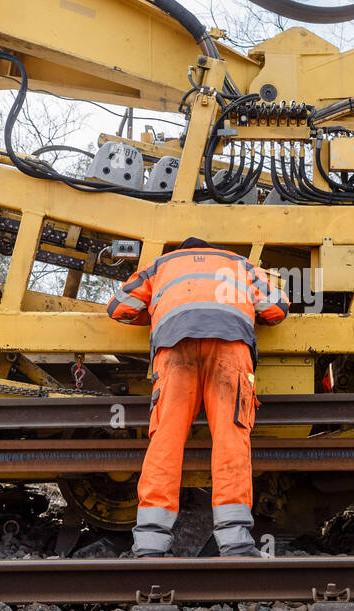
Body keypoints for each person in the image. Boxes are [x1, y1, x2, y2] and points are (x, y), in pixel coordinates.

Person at [107, 238, 290, 557]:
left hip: (175, 346)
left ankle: (150, 544)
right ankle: (236, 543)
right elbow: (277, 310)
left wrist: (157, 313)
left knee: (165, 440)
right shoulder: (241, 265)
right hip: (230, 347)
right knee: (231, 439)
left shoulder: (159, 266)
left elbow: (118, 309)